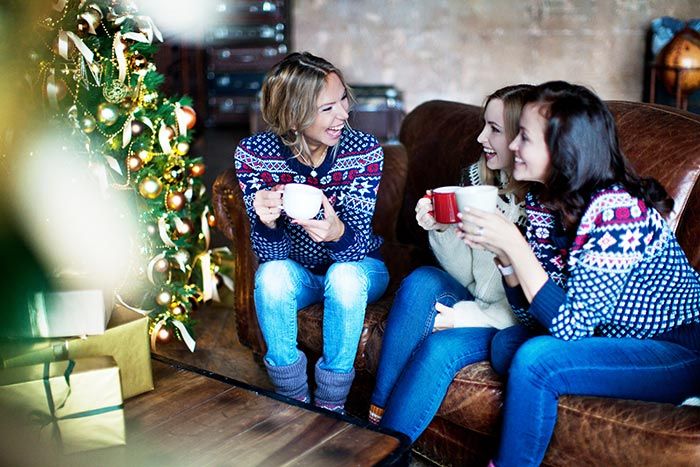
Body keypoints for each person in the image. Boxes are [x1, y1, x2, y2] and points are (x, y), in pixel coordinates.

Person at [458, 81, 700, 466]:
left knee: (536, 358)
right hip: (606, 337)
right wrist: (506, 258)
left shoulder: (618, 210)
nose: (514, 147)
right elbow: (534, 316)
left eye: (524, 137)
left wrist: (517, 247)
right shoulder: (542, 202)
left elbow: (568, 328)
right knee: (507, 345)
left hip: (677, 348)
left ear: (563, 149)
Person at [368, 85, 533, 435]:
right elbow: (471, 277)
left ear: (523, 137)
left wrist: (470, 316)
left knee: (440, 348)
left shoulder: (546, 209)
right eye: (483, 125)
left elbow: (535, 305)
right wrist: (442, 230)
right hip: (482, 302)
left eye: (494, 129)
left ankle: (387, 449)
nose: (480, 137)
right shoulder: (479, 183)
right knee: (423, 279)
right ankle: (376, 415)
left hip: (519, 324)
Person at [234, 52, 389, 413]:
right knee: (271, 275)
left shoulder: (363, 151)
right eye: (327, 108)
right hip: (299, 273)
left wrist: (337, 232)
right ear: (293, 115)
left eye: (343, 101)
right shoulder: (255, 155)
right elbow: (270, 255)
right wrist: (267, 221)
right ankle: (293, 399)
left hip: (362, 266)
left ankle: (332, 404)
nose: (344, 115)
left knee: (346, 275)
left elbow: (356, 248)